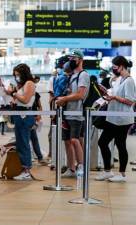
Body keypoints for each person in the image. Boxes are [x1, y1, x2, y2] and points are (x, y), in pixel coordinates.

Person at [95, 56, 135, 182]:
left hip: (122, 119)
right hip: (113, 118)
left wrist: (115, 98)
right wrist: (107, 94)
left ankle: (122, 174)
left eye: (115, 67)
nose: (113, 69)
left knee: (120, 144)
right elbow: (115, 94)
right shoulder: (119, 79)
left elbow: (130, 101)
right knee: (103, 142)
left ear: (122, 66)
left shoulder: (129, 81)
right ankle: (108, 171)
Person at [56, 49, 90, 178]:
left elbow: (81, 95)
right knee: (67, 141)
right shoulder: (71, 76)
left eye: (74, 58)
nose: (71, 60)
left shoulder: (83, 75)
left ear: (80, 60)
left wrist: (64, 99)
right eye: (70, 58)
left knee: (75, 140)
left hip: (76, 113)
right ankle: (71, 168)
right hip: (67, 113)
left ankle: (81, 167)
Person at [7, 63, 36, 181]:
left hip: (25, 115)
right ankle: (24, 169)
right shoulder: (22, 85)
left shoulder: (29, 83)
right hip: (19, 114)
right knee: (20, 142)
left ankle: (26, 169)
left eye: (18, 75)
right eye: (15, 75)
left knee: (24, 142)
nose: (16, 77)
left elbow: (25, 100)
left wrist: (14, 94)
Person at [30, 76, 48, 165]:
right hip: (27, 118)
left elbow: (40, 106)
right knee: (31, 138)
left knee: (33, 138)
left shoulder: (36, 95)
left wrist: (39, 115)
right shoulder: (26, 93)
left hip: (33, 118)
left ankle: (39, 157)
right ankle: (38, 157)